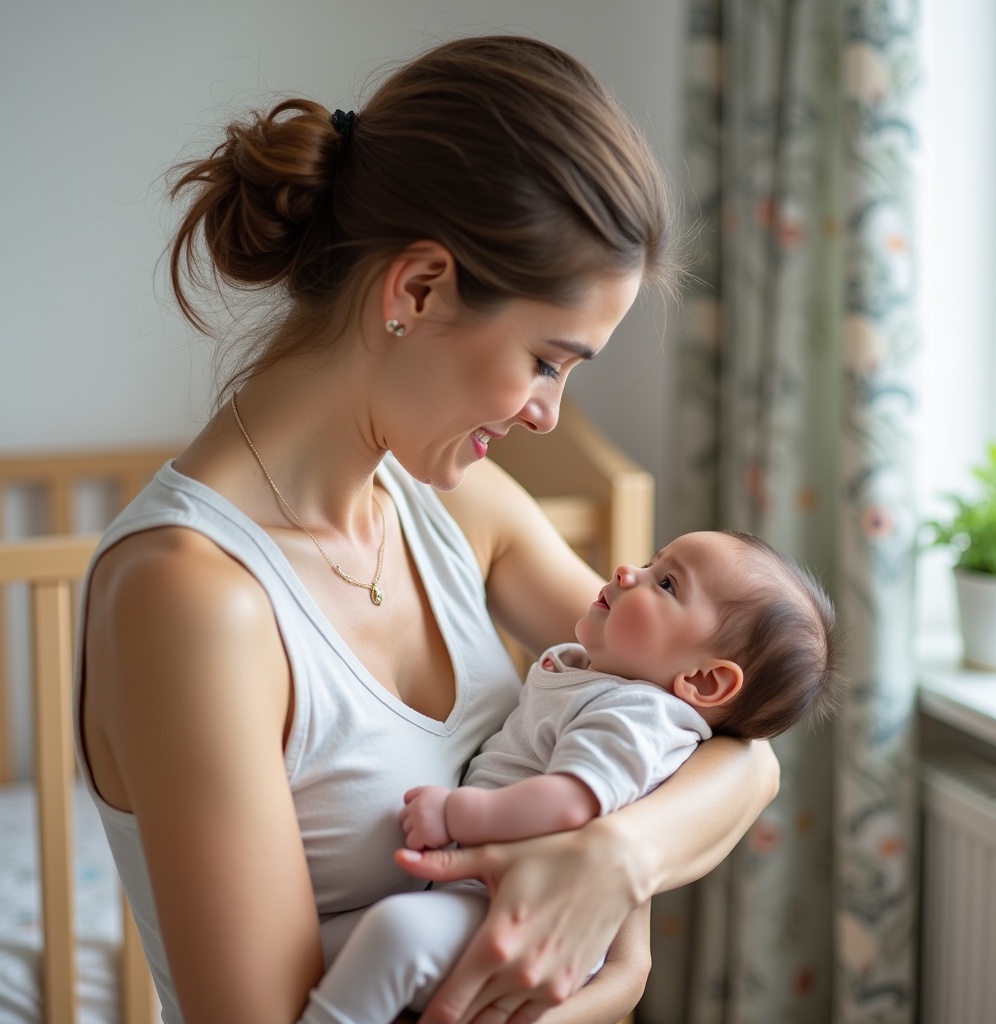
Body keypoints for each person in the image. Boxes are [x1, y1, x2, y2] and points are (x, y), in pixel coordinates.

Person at [73, 34, 782, 1024]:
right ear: (416, 288)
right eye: (546, 359)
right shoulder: (194, 600)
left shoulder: (458, 507)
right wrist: (609, 986)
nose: (548, 413)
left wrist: (615, 857)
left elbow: (739, 746)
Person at [304, 529, 843, 1024]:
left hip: (520, 911)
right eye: (655, 561)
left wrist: (455, 813)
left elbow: (572, 801)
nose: (630, 571)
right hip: (476, 896)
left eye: (668, 583)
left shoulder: (640, 717)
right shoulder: (601, 677)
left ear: (703, 680)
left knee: (395, 936)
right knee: (323, 948)